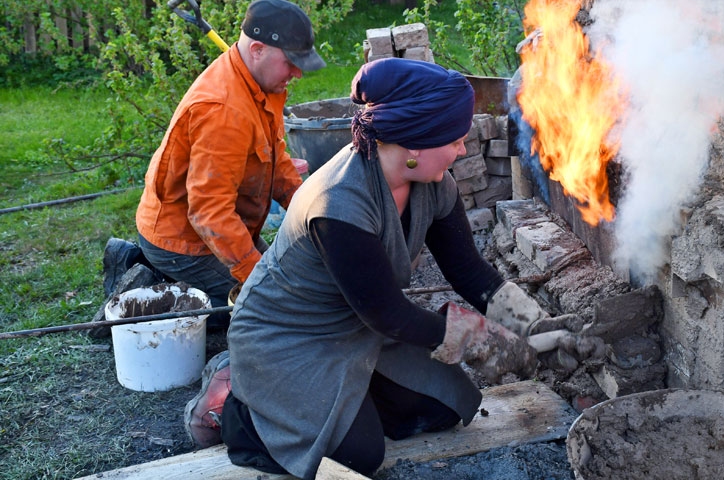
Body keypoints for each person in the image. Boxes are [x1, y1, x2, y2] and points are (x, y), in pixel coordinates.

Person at [182, 57, 577, 478]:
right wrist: (482, 341)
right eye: (455, 139)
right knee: (358, 456)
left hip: (357, 327)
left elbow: (470, 272)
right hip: (288, 338)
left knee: (442, 408)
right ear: (414, 144)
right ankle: (237, 406)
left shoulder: (433, 182)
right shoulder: (339, 203)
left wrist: (534, 326)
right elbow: (389, 314)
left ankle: (346, 397)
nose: (462, 149)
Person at [126, 0, 325, 327]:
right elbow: (210, 213)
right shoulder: (223, 111)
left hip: (226, 225)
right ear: (258, 49)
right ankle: (152, 286)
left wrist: (312, 213)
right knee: (266, 310)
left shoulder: (263, 84)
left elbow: (276, 160)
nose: (298, 73)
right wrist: (254, 275)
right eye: (291, 62)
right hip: (185, 242)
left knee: (286, 281)